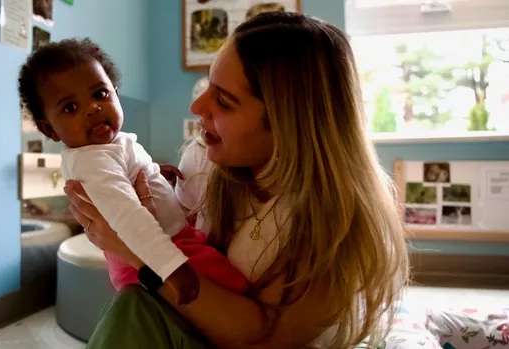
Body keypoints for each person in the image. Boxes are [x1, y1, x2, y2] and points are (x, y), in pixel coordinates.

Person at [64, 11, 410, 349]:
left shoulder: (333, 221)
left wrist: (134, 251)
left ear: (288, 125)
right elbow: (185, 245)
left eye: (225, 102)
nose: (197, 106)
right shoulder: (203, 163)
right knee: (134, 307)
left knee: (135, 307)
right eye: (207, 85)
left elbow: (262, 340)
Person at [17, 38, 248, 293]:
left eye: (100, 94)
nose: (92, 108)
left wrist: (154, 174)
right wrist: (171, 268)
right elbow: (129, 218)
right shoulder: (92, 161)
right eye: (70, 107)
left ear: (116, 93)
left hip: (167, 244)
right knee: (234, 287)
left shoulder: (108, 147)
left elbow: (126, 181)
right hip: (158, 252)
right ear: (49, 129)